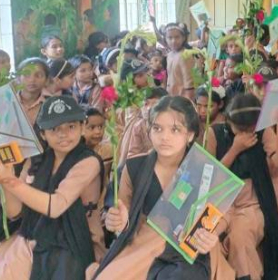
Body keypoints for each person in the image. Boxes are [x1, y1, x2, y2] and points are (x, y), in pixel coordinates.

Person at [89, 96, 234, 279]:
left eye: (175, 129)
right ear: (149, 131)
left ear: (190, 135)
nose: (165, 137)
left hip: (190, 247)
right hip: (144, 242)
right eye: (157, 128)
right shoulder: (134, 167)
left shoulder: (204, 168)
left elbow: (224, 211)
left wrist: (211, 234)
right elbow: (123, 214)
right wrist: (118, 222)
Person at [0, 96, 105, 279]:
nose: (63, 134)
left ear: (82, 127)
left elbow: (56, 206)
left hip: (74, 244)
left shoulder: (89, 162)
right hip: (34, 236)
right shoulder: (38, 160)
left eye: (71, 127)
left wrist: (12, 181)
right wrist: (6, 181)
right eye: (54, 129)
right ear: (43, 134)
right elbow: (15, 212)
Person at [213, 93, 278, 279]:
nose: (247, 133)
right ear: (229, 120)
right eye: (241, 129)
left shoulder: (263, 131)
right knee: (208, 238)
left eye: (251, 129)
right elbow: (210, 177)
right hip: (221, 203)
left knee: (240, 238)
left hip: (252, 202)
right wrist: (235, 149)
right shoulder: (215, 133)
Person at [118, 88, 168, 163]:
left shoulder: (170, 125)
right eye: (146, 104)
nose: (149, 108)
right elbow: (132, 154)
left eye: (155, 104)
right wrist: (149, 155)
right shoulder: (138, 126)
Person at [164, 23, 195, 100]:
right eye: (170, 38)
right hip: (171, 95)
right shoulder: (169, 55)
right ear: (165, 39)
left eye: (177, 37)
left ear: (183, 38)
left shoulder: (185, 55)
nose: (173, 41)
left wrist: (188, 100)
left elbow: (189, 81)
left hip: (182, 98)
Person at [15, 58, 50, 125]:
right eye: (26, 75)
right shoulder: (7, 101)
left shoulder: (52, 104)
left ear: (47, 80)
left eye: (38, 75)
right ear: (18, 79)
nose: (32, 80)